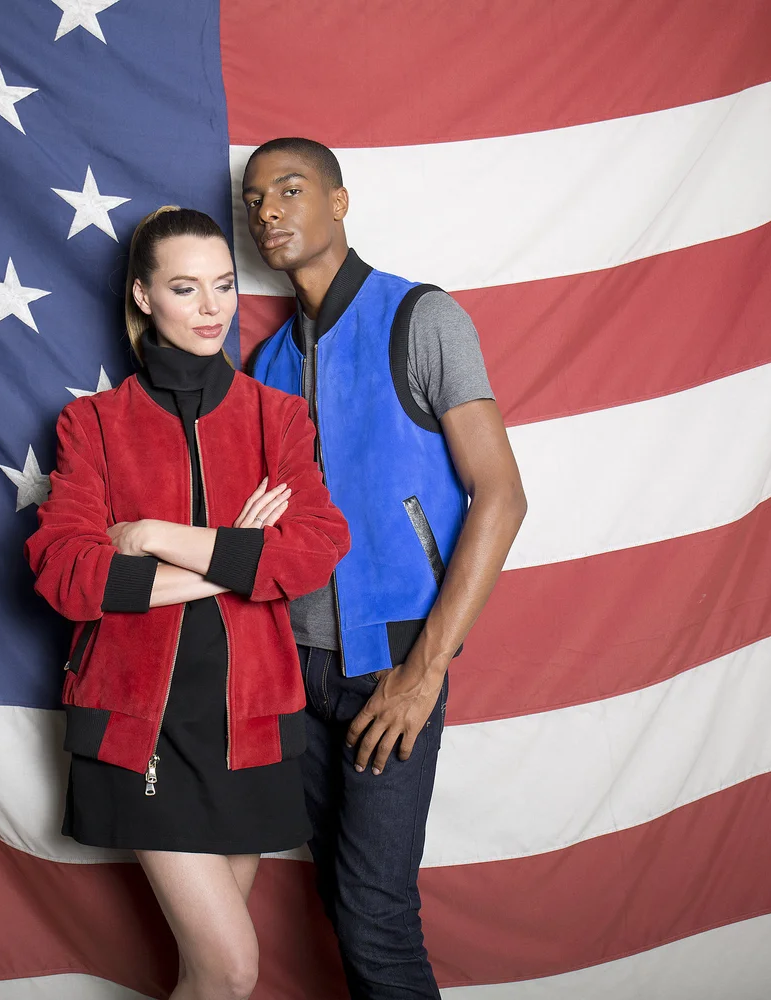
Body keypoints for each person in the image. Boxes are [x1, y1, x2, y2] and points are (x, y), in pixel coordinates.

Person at [24, 206, 351, 1000]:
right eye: (184, 287)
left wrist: (153, 534)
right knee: (233, 970)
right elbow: (66, 572)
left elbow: (315, 548)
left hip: (252, 726)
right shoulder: (93, 424)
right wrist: (237, 558)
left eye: (224, 285)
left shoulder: (278, 417)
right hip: (142, 724)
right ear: (143, 297)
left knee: (209, 978)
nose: (212, 307)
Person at [243, 138, 528, 998]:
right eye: (254, 198)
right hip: (293, 672)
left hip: (392, 665)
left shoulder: (419, 316)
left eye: (290, 189)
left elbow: (501, 496)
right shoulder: (266, 365)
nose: (268, 210)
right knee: (339, 898)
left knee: (375, 914)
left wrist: (424, 672)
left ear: (339, 202)